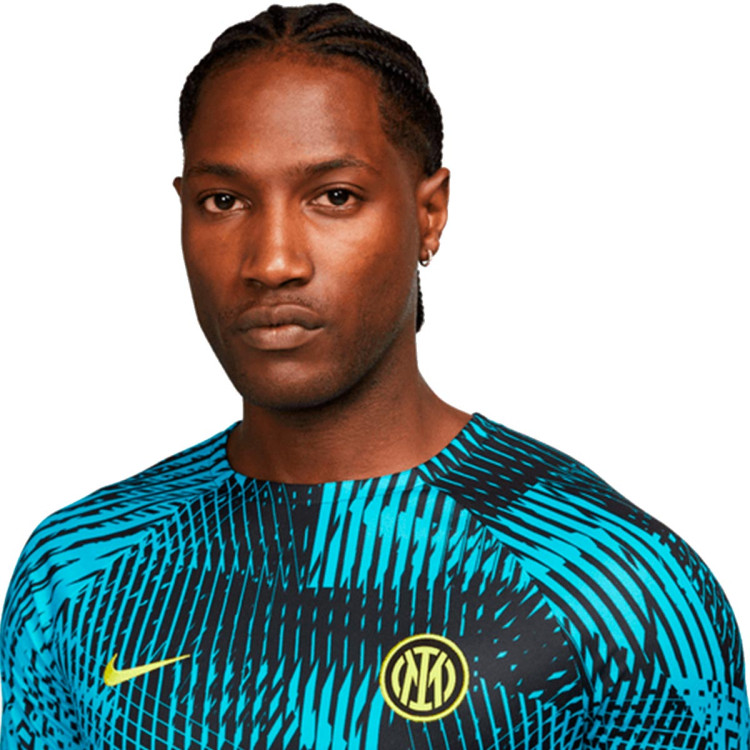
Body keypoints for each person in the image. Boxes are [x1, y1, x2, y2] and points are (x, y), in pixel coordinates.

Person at [1, 3, 748, 748]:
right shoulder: (75, 574)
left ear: (430, 213)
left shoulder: (613, 585)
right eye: (223, 201)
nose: (272, 261)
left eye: (335, 197)